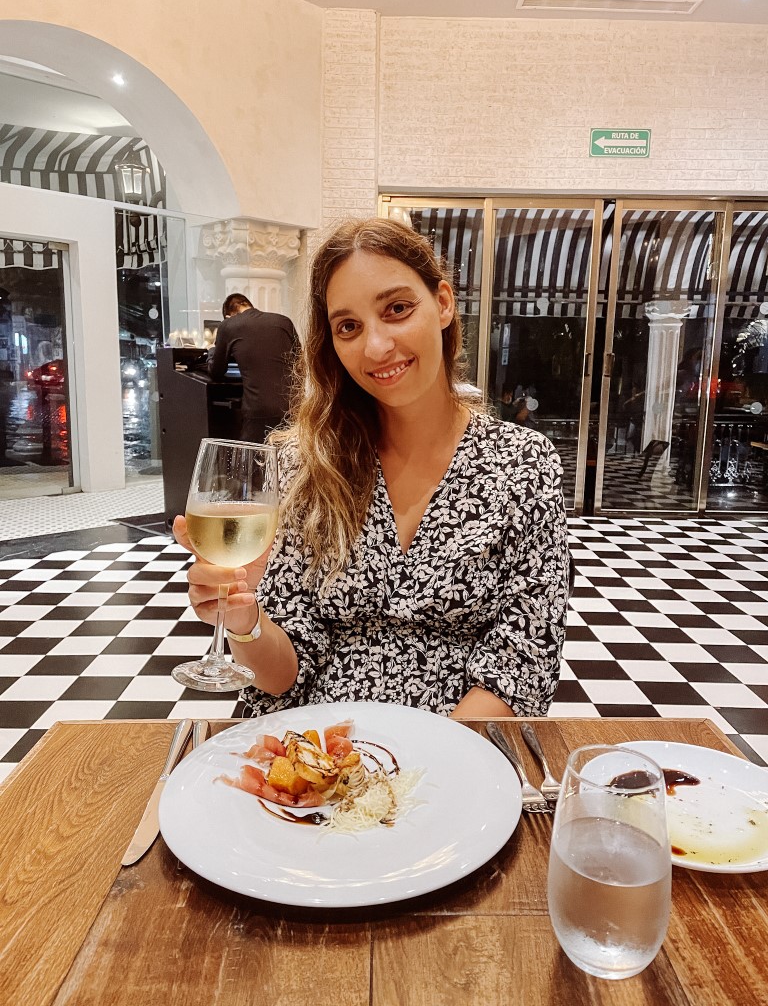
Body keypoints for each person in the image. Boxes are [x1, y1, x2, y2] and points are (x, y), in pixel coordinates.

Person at [175, 218, 570, 720]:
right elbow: (280, 678)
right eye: (349, 327)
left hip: (459, 749)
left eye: (398, 309)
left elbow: (522, 660)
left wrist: (407, 780)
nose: (376, 347)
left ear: (443, 303)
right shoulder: (304, 464)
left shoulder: (522, 463)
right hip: (312, 749)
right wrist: (244, 619)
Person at [208, 292, 298, 444]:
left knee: (252, 462)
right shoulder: (284, 321)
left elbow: (216, 371)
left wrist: (211, 351)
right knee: (287, 459)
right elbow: (299, 362)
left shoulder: (229, 325)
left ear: (229, 316)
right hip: (292, 407)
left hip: (258, 411)